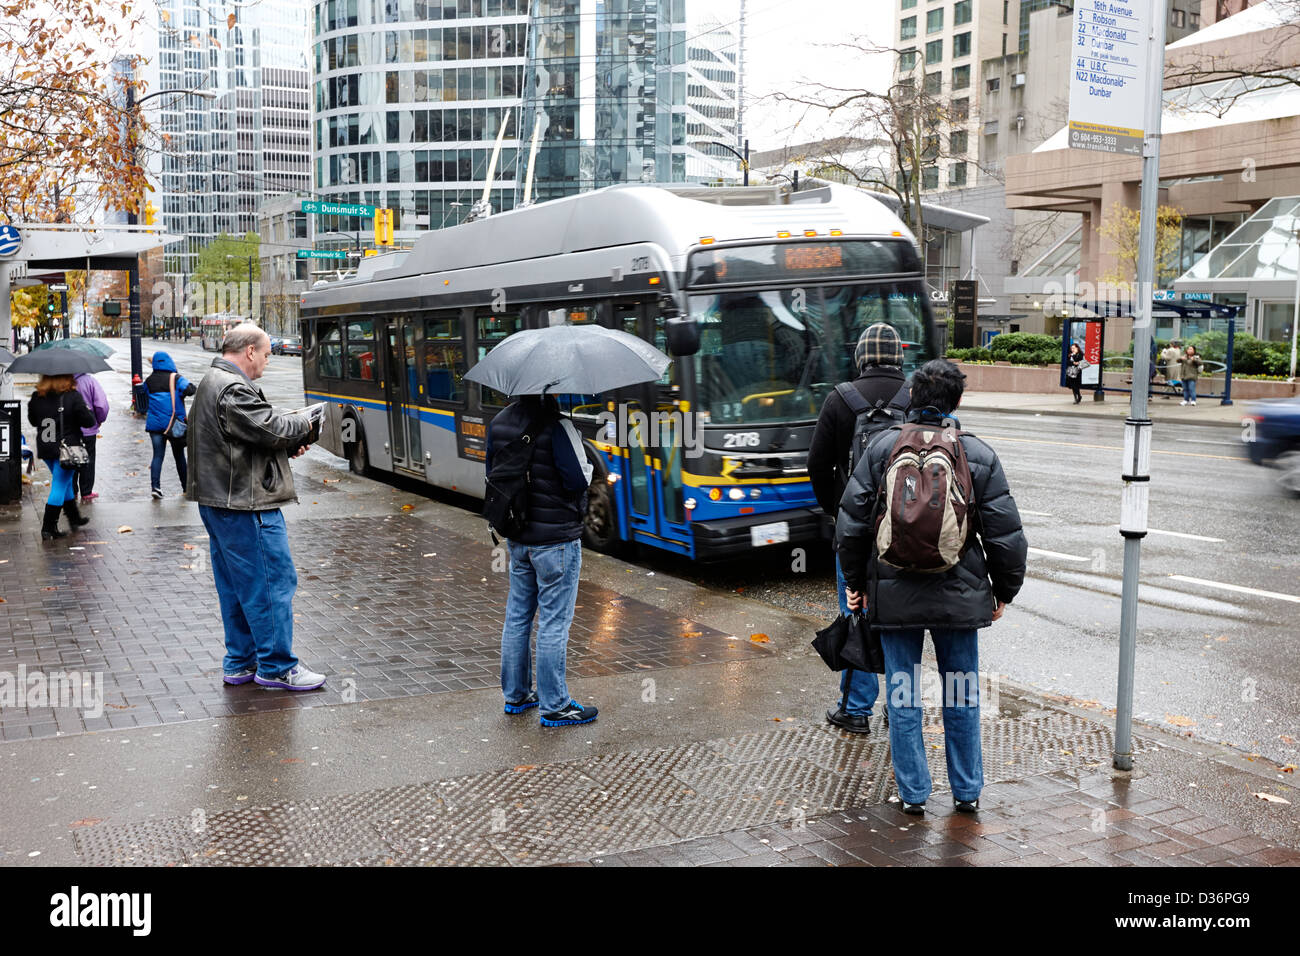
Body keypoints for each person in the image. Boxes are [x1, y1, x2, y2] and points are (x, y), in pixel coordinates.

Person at [836, 359, 1027, 815]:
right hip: (958, 599)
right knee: (960, 692)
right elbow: (1005, 533)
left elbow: (852, 522)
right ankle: (966, 790)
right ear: (956, 401)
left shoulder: (883, 447)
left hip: (893, 593)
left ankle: (914, 794)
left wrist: (857, 584)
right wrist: (1004, 591)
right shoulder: (975, 453)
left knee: (902, 695)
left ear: (912, 399)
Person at [186, 324, 325, 691]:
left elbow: (252, 437)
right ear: (249, 351)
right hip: (246, 505)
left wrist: (283, 443)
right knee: (271, 584)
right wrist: (304, 424)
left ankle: (241, 662)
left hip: (223, 501)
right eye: (265, 354)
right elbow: (272, 427)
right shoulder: (230, 387)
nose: (267, 361)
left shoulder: (213, 381)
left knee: (236, 587)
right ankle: (277, 666)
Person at [807, 323, 909, 735]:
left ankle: (855, 708)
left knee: (855, 611)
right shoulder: (916, 396)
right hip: (907, 531)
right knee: (904, 615)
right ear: (900, 358)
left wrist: (841, 509)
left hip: (857, 533)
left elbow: (817, 465)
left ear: (861, 358)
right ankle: (899, 705)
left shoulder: (841, 398)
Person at [486, 393, 596, 726]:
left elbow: (494, 473)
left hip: (518, 537)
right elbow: (578, 479)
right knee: (553, 623)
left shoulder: (498, 423)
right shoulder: (559, 426)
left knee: (518, 617)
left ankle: (517, 695)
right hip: (556, 542)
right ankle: (555, 706)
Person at [27, 374, 95, 540]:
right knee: (59, 484)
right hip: (66, 448)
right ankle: (48, 528)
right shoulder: (72, 396)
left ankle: (74, 518)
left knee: (64, 482)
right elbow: (88, 421)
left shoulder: (37, 396)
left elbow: (33, 421)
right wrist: (85, 410)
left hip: (46, 447)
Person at [143, 352, 195, 498]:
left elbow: (144, 399)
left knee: (157, 456)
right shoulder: (176, 378)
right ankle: (185, 487)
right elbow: (190, 390)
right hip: (174, 426)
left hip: (154, 426)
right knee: (179, 456)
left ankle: (155, 487)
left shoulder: (149, 380)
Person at [71, 372, 110, 502]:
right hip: (88, 429)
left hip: (69, 430)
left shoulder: (63, 381)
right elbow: (101, 405)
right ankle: (86, 491)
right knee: (88, 459)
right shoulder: (89, 381)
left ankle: (72, 491)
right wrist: (99, 420)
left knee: (72, 459)